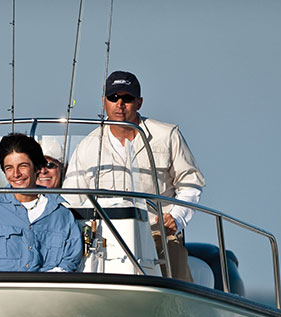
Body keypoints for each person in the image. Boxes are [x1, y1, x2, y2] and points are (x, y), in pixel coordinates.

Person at [62, 70, 205, 281]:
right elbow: (72, 199)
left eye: (127, 98)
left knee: (174, 276)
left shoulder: (167, 135)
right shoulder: (87, 146)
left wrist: (177, 217)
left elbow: (190, 183)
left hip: (158, 233)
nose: (120, 104)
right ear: (104, 101)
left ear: (139, 102)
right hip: (104, 237)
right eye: (113, 97)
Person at [0, 133, 83, 272]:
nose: (16, 174)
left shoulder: (62, 214)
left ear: (37, 167)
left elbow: (68, 265)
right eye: (9, 168)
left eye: (23, 166)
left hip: (48, 286)